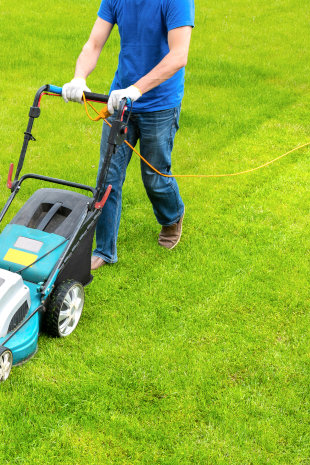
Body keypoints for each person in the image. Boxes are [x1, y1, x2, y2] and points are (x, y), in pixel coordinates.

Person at [60, 0, 194, 270]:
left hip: (160, 103)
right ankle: (104, 250)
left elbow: (179, 55)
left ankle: (172, 216)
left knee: (155, 177)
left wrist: (137, 89)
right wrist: (79, 77)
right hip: (120, 100)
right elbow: (94, 43)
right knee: (107, 175)